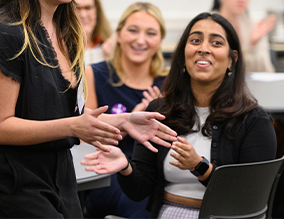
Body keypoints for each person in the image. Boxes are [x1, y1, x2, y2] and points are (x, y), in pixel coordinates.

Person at [0, 0, 177, 219]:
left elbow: (54, 115)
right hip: (10, 179)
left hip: (58, 171)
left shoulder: (67, 31)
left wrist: (121, 121)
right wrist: (74, 126)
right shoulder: (6, 34)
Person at [82, 12, 277, 219]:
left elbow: (249, 198)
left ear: (232, 59)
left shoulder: (254, 120)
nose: (203, 49)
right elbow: (139, 190)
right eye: (195, 41)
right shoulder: (160, 111)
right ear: (184, 54)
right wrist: (125, 166)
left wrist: (200, 167)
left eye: (216, 43)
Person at [84, 2, 169, 219]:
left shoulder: (169, 83)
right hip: (109, 171)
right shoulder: (94, 74)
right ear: (119, 35)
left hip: (154, 174)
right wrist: (133, 116)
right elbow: (88, 135)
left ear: (160, 40)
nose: (140, 40)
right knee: (143, 205)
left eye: (150, 33)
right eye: (133, 30)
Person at [212, 0, 276, 72]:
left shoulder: (254, 24)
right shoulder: (208, 23)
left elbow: (267, 71)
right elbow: (217, 67)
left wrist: (253, 45)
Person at [74, 0, 114, 64]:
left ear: (96, 10)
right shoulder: (57, 51)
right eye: (77, 8)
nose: (83, 15)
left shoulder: (110, 47)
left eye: (88, 8)